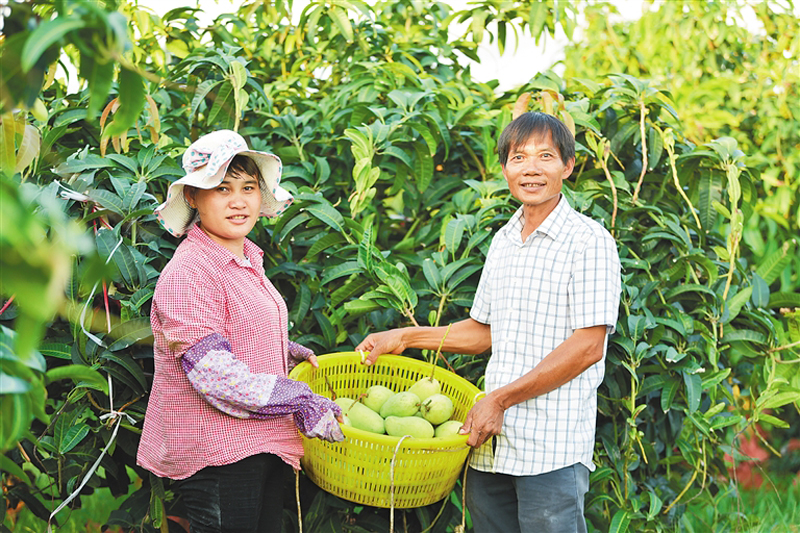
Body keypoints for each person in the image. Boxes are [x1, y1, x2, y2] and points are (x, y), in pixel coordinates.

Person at [356, 112, 621, 533]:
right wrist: (405, 337)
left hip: (549, 448)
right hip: (490, 444)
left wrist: (500, 399)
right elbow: (485, 333)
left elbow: (588, 347)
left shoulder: (589, 242)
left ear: (568, 166)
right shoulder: (503, 241)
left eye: (545, 156)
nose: (531, 168)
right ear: (505, 169)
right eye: (519, 157)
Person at [137, 130, 343, 533]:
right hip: (219, 454)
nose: (239, 200)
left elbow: (231, 329)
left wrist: (282, 349)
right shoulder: (190, 272)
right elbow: (214, 372)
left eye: (248, 187)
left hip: (258, 443)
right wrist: (299, 398)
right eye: (221, 188)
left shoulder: (245, 258)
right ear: (194, 197)